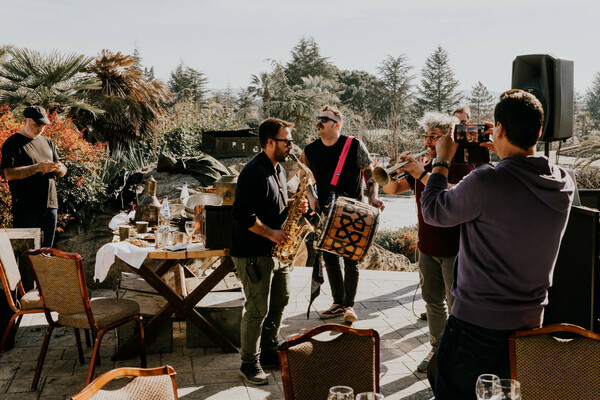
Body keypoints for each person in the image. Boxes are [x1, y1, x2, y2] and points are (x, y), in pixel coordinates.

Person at [421, 89, 574, 399]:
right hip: (531, 324)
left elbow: (434, 210)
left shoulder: (485, 181)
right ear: (540, 131)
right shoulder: (564, 182)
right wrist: (502, 153)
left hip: (475, 325)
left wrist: (441, 160)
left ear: (499, 129)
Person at [381, 112, 474, 373]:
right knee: (432, 302)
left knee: (455, 305)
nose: (428, 142)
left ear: (449, 140)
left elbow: (455, 194)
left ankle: (457, 356)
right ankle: (436, 349)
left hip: (455, 249)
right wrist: (389, 171)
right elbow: (392, 190)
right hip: (427, 247)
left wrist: (423, 173)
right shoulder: (426, 163)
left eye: (435, 137)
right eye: (427, 136)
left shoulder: (463, 166)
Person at [231, 117, 307, 385]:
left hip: (277, 252)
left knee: (280, 302)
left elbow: (272, 203)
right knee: (256, 309)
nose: (292, 146)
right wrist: (273, 233)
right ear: (270, 142)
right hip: (254, 252)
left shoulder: (278, 169)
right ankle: (249, 363)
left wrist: (294, 205)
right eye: (287, 141)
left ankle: (269, 350)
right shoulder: (253, 172)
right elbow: (243, 215)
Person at [300, 105, 384, 323]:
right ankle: (338, 304)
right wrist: (311, 196)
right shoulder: (310, 150)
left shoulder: (353, 145)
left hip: (353, 212)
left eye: (325, 119)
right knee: (329, 257)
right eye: (318, 117)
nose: (319, 121)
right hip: (326, 212)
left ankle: (349, 305)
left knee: (350, 259)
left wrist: (373, 197)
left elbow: (370, 174)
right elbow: (303, 176)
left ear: (337, 125)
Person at [1, 106, 67, 248]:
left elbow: (62, 169)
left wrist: (59, 169)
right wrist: (37, 168)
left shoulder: (48, 142)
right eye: (37, 124)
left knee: (46, 253)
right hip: (26, 209)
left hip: (50, 207)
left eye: (43, 125)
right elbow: (9, 174)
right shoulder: (12, 143)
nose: (40, 128)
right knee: (26, 255)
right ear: (25, 120)